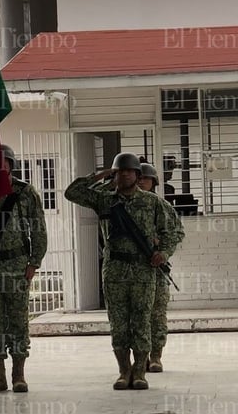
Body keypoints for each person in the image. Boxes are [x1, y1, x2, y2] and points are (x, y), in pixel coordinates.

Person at [65, 153, 181, 390]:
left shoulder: (153, 203)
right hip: (114, 270)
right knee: (118, 324)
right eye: (120, 171)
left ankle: (139, 372)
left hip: (143, 270)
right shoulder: (104, 200)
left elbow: (171, 232)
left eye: (129, 171)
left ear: (138, 175)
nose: (125, 174)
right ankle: (123, 371)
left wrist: (164, 253)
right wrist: (101, 175)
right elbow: (72, 192)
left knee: (141, 321)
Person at [0, 145, 47, 394]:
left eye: (2, 162)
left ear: (11, 165)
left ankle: (18, 374)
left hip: (16, 265)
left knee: (17, 322)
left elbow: (38, 229)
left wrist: (34, 262)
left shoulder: (25, 193)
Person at [138, 162, 184, 373]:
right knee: (138, 316)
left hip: (155, 269)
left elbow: (177, 232)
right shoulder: (123, 205)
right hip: (133, 269)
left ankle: (156, 356)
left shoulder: (161, 206)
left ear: (154, 182)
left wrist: (163, 252)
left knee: (157, 315)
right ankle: (141, 357)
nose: (141, 182)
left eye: (145, 179)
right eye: (138, 178)